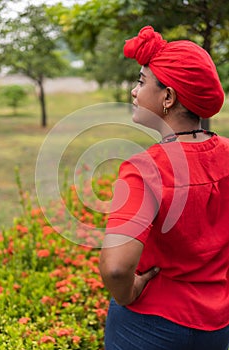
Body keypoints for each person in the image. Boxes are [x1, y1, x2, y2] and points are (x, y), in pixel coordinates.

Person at [99, 25, 229, 350]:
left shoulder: (146, 169)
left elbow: (116, 268)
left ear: (168, 97)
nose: (134, 91)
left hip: (149, 326)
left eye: (142, 82)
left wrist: (128, 293)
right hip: (218, 325)